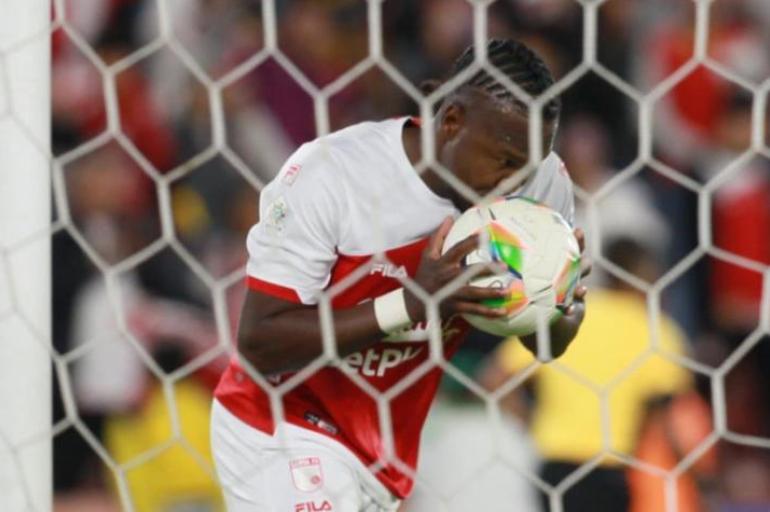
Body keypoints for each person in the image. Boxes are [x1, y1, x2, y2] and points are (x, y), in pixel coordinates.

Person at [211, 38, 588, 511]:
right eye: (506, 162)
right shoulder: (333, 175)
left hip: (383, 454)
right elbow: (260, 343)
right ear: (451, 121)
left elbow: (547, 346)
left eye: (527, 169)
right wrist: (414, 301)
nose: (513, 184)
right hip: (281, 424)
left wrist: (559, 299)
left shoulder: (541, 185)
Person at [482, 237, 693, 512]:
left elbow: (493, 377)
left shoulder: (570, 313)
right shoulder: (656, 329)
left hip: (554, 465)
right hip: (611, 467)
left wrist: (529, 420)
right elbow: (665, 413)